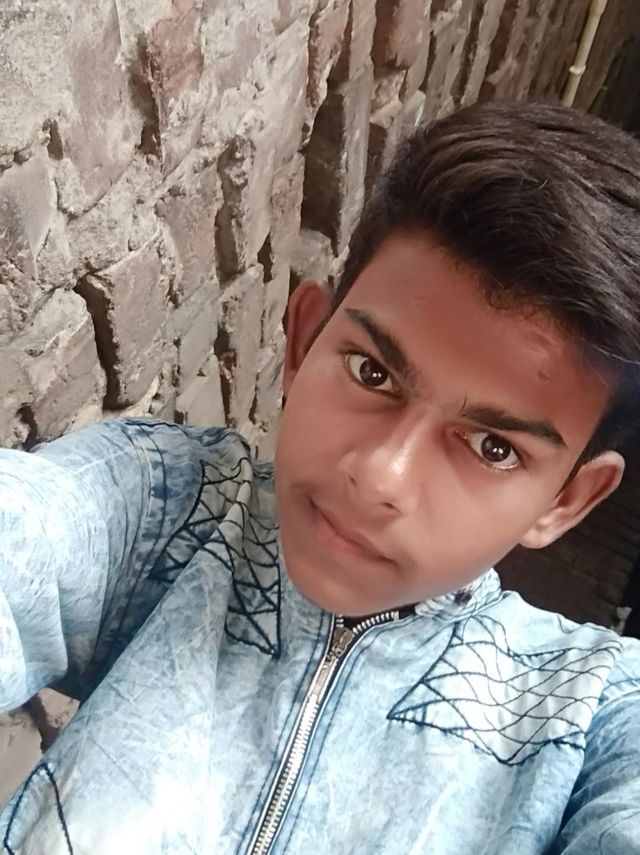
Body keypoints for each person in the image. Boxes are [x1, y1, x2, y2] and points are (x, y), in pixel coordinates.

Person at [1, 100, 639, 855]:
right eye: (372, 372)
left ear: (565, 500)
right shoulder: (162, 509)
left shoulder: (586, 721)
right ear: (304, 342)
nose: (379, 475)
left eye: (493, 447)